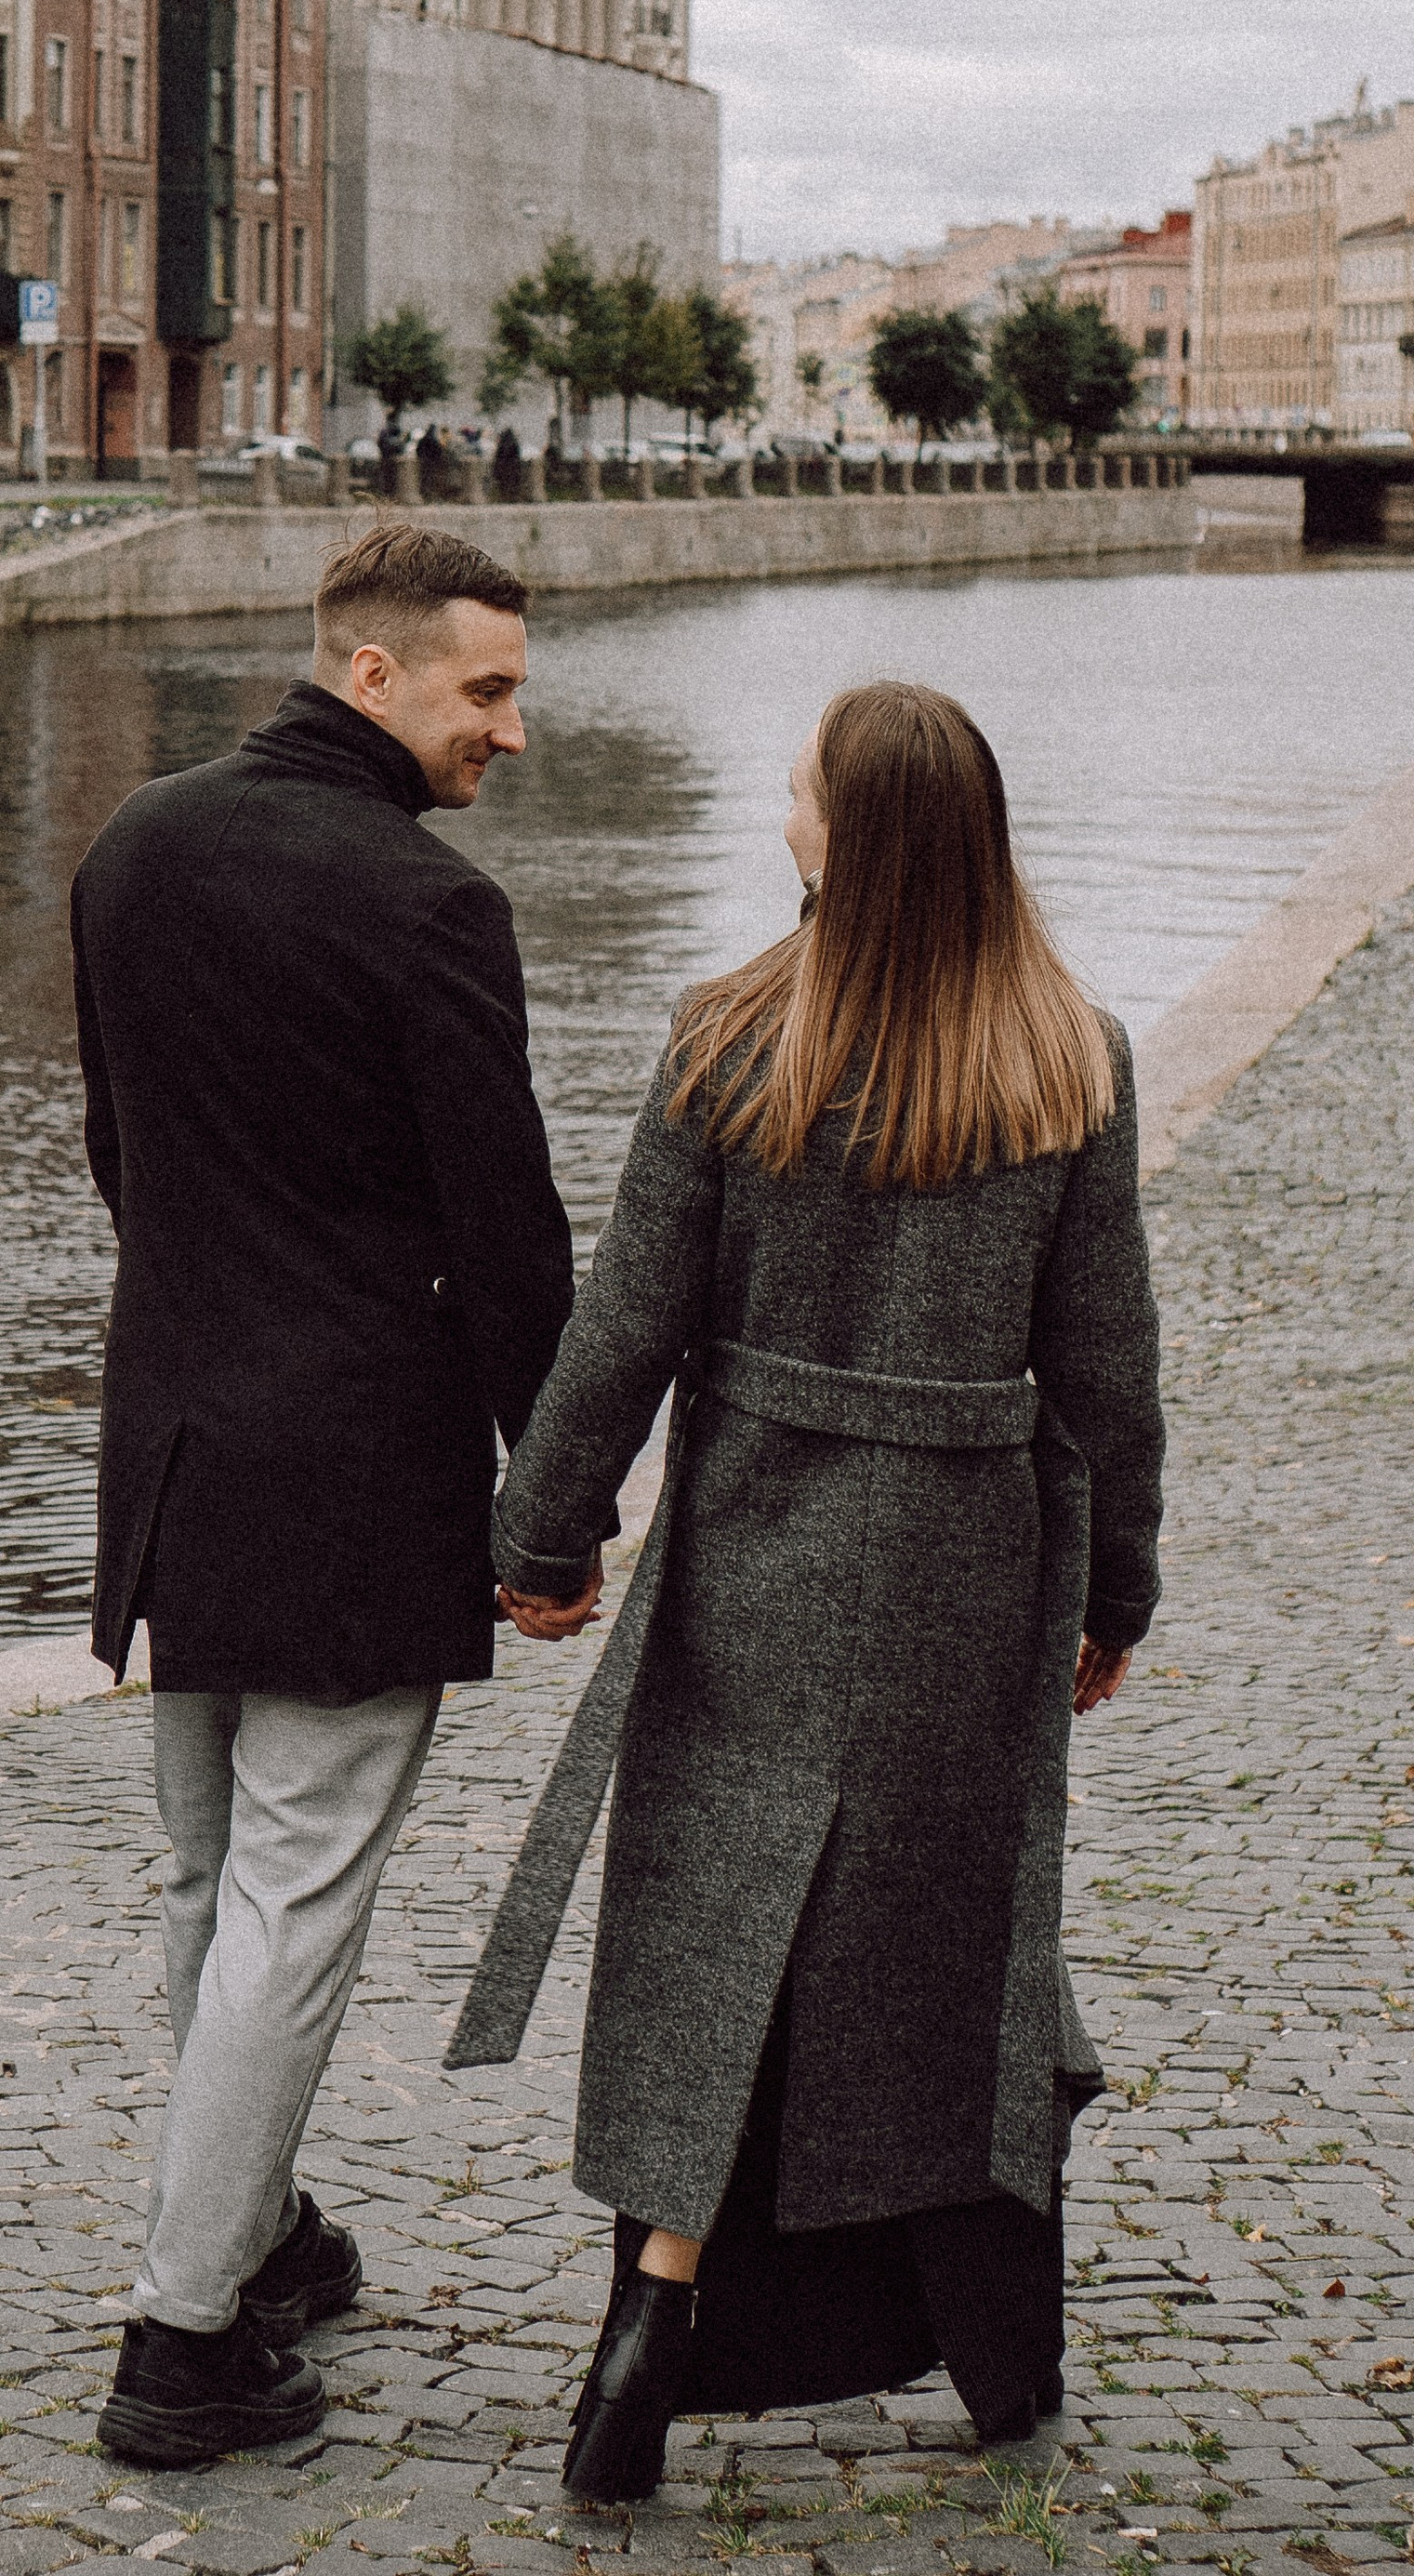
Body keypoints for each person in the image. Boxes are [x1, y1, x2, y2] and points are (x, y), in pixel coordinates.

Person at [449, 680, 1166, 2502]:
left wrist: (540, 1540)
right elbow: (1107, 1373)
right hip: (956, 1574)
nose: (779, 814)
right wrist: (1116, 1594)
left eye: (796, 794)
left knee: (717, 1944)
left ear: (847, 838)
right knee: (946, 1953)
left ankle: (652, 2319)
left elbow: (621, 1329)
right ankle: (996, 2350)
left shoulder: (723, 1040)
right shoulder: (1065, 1054)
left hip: (756, 1558)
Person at [73, 521, 580, 2470]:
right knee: (290, 1903)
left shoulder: (132, 843)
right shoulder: (420, 907)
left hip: (175, 1452)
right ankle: (181, 2342)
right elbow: (506, 1238)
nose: (507, 734)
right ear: (368, 675)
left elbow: (122, 1159)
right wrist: (551, 1504)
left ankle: (256, 2234)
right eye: (486, 690)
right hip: (351, 1472)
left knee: (216, 1886)